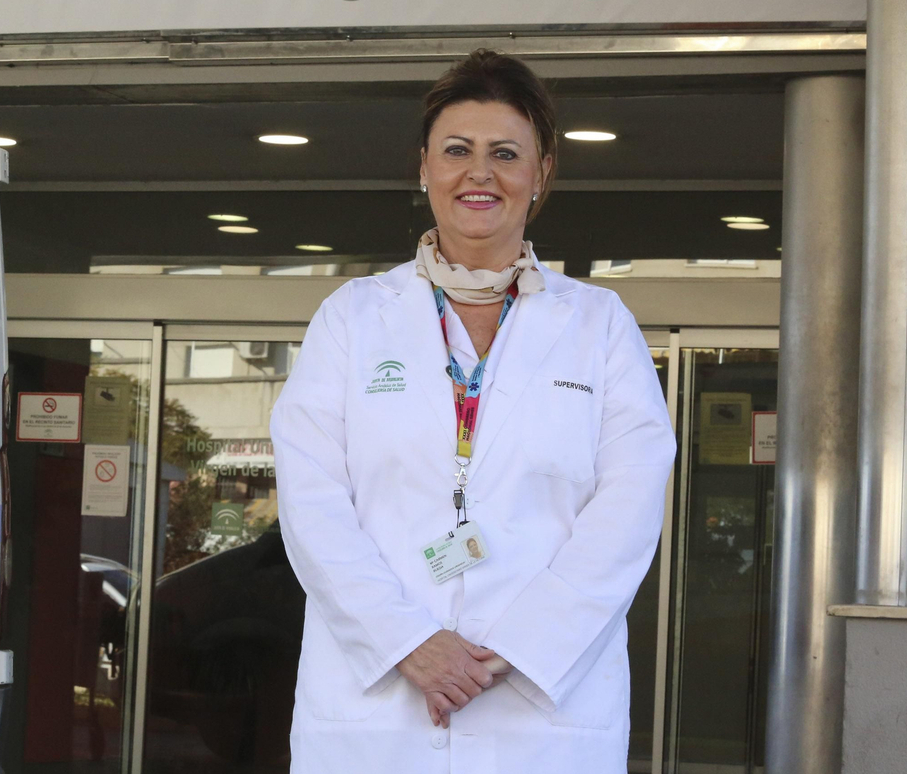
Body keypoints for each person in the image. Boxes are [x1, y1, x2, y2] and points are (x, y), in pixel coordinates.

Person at [270, 50, 675, 772]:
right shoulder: (354, 319)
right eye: (456, 151)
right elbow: (312, 503)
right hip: (377, 708)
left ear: (541, 173)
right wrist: (408, 643)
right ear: (424, 168)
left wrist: (514, 650)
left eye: (505, 153)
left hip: (540, 705)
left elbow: (629, 509)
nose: (478, 173)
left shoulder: (599, 325)